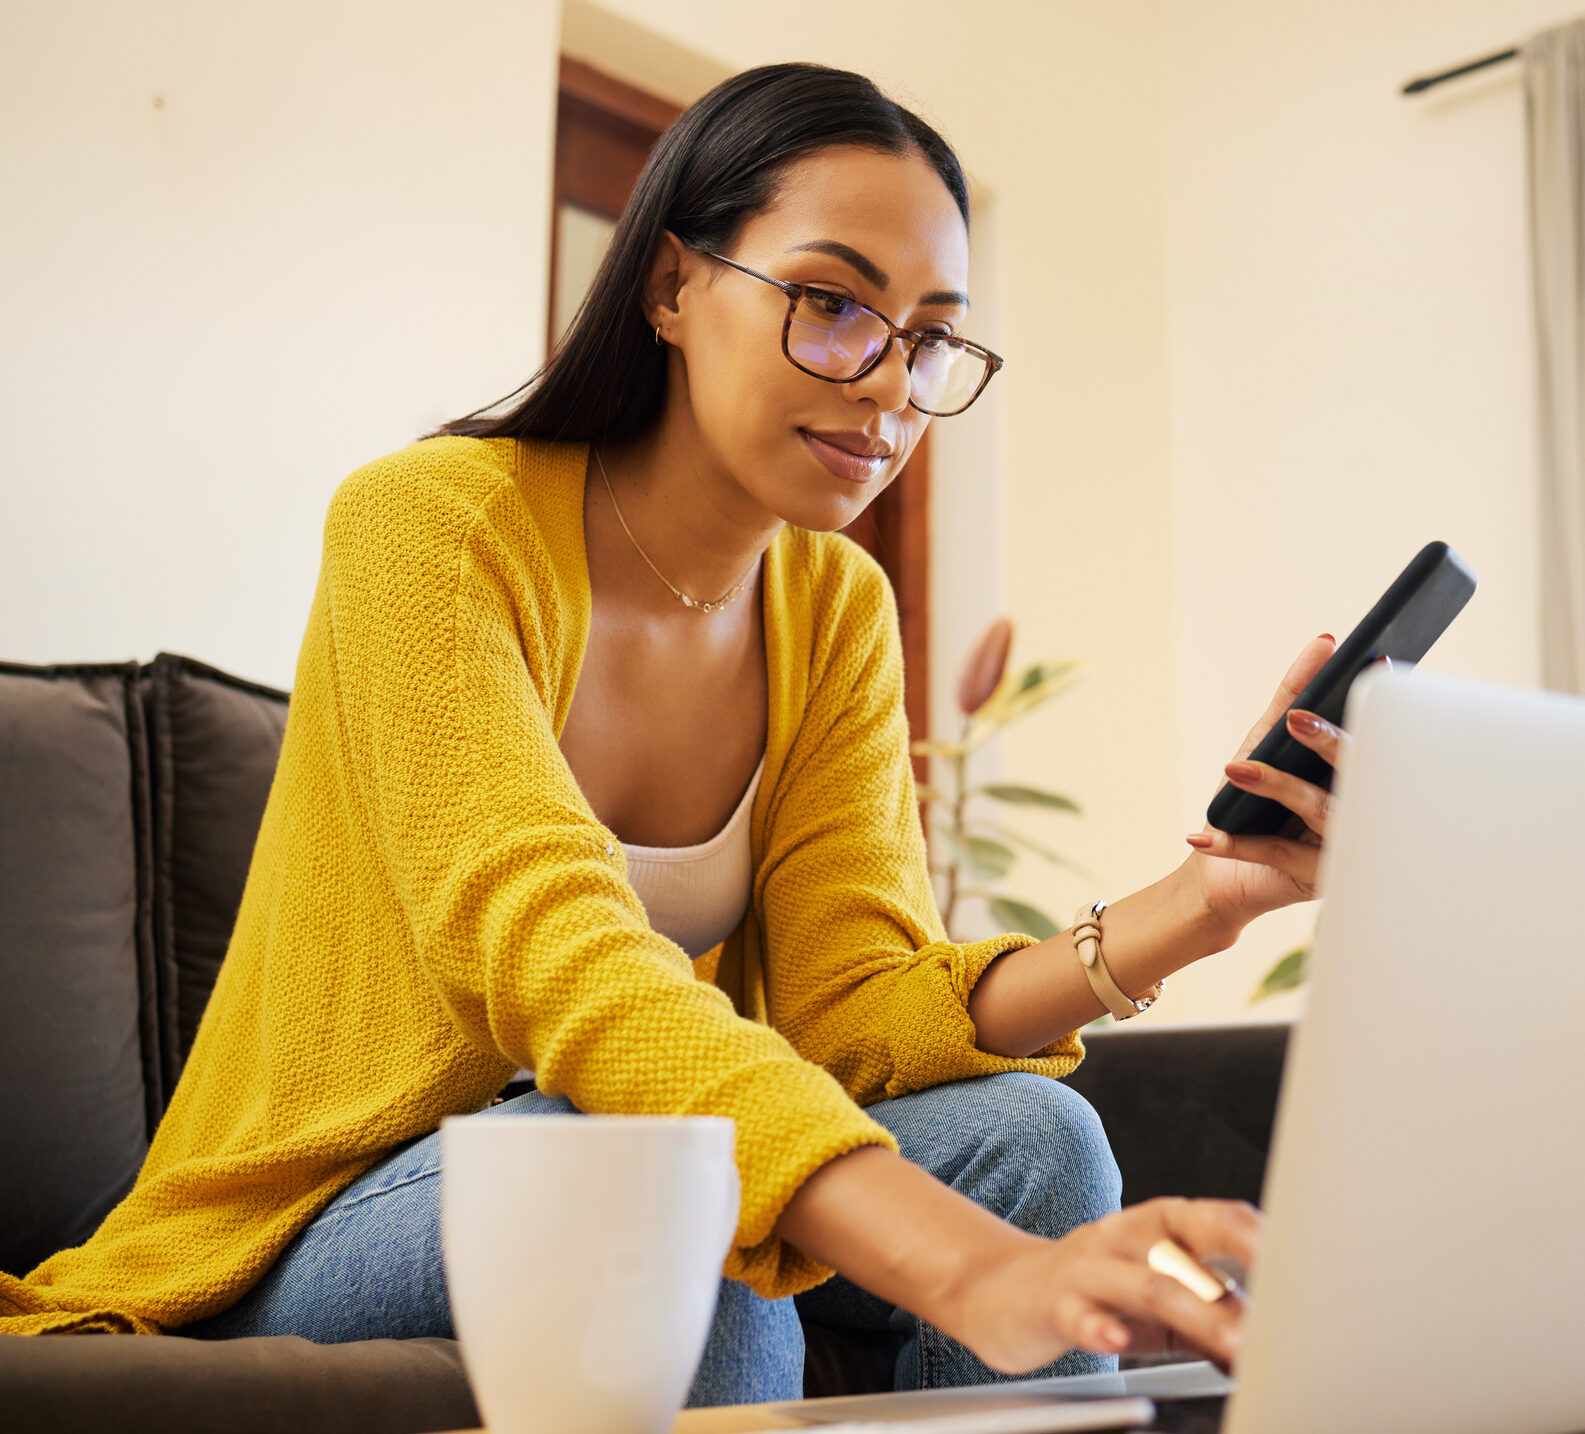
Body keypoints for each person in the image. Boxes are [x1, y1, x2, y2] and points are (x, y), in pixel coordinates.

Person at [0, 62, 1343, 1402]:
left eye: (928, 336)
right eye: (831, 306)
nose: (886, 387)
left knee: (1038, 1136)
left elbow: (852, 1004)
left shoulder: (832, 605)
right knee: (662, 1196)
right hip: (325, 1212)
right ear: (670, 287)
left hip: (612, 1140)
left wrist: (1202, 903)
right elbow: (567, 962)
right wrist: (968, 1268)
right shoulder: (430, 526)